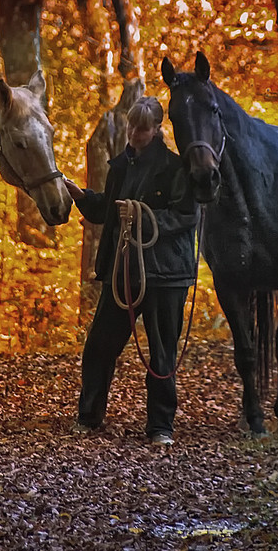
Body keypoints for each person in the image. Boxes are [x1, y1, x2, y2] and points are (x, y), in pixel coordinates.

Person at [64, 96, 198, 446]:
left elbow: (187, 216)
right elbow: (107, 211)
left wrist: (144, 216)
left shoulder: (175, 167)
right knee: (99, 347)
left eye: (142, 128)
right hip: (124, 272)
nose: (135, 133)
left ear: (157, 129)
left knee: (162, 353)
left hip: (166, 274)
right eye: (131, 126)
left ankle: (160, 427)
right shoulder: (121, 167)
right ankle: (89, 417)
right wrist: (80, 195)